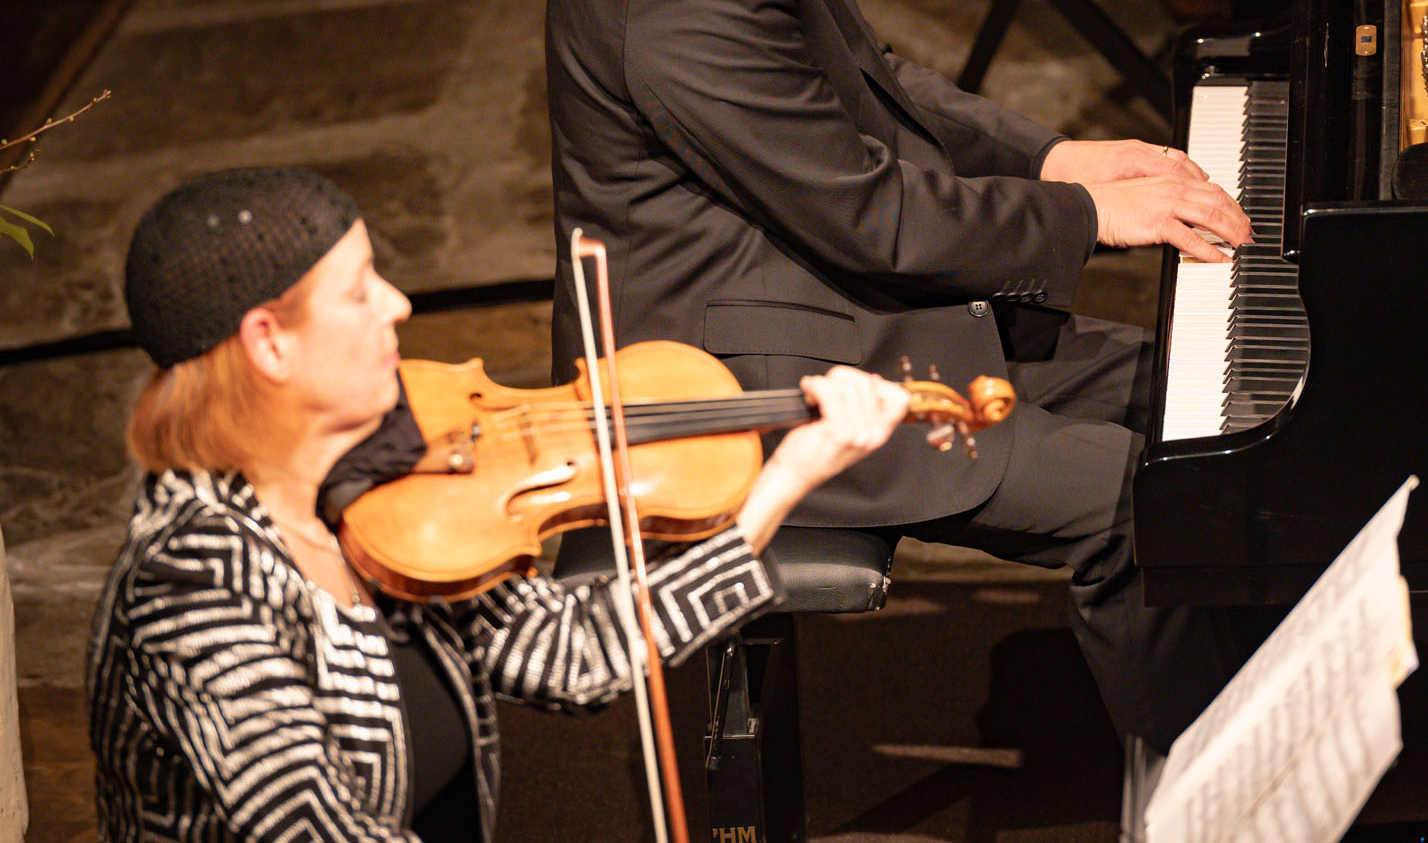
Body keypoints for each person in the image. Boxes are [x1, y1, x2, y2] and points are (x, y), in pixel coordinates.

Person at [545, 0, 1255, 752]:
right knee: (1143, 500)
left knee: (1205, 394)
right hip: (742, 382)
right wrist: (1081, 214)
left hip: (814, 299)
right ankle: (1217, 800)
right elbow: (868, 215)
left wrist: (1055, 149)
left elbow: (869, 72)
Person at [86, 166, 913, 842]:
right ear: (270, 342)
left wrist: (784, 481)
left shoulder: (376, 489)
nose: (398, 305)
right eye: (358, 290)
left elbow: (572, 650)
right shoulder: (189, 583)